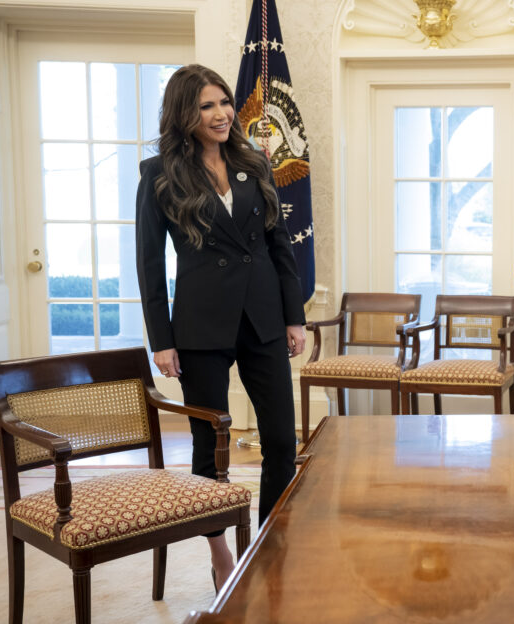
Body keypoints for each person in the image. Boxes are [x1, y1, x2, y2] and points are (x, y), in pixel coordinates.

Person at [136, 64, 307, 587]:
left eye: (225, 103)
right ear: (185, 113)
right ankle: (219, 553)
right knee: (208, 443)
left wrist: (293, 316)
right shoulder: (159, 172)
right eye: (207, 105)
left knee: (282, 440)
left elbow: (278, 244)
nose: (222, 114)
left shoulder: (254, 163)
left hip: (263, 320)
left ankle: (271, 544)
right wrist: (161, 341)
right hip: (199, 325)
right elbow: (148, 262)